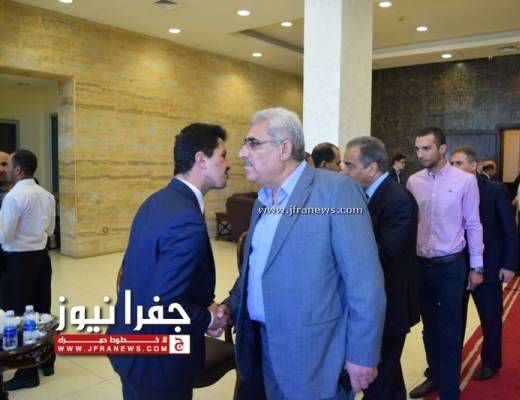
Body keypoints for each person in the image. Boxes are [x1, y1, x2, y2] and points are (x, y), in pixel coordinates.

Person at [218, 107, 386, 399]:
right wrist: (230, 307)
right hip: (265, 347)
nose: (242, 153)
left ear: (284, 148)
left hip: (316, 356)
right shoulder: (262, 201)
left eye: (253, 143)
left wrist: (362, 354)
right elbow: (257, 269)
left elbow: (365, 282)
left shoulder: (337, 191)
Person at [107, 123, 231, 400]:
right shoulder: (186, 217)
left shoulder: (155, 201)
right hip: (158, 362)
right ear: (201, 159)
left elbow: (139, 274)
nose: (228, 164)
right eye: (223, 155)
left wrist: (204, 304)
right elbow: (164, 305)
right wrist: (209, 317)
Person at [407, 127, 484, 400]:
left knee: (450, 328)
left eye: (426, 148)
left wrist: (477, 267)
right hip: (421, 266)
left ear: (442, 149)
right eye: (417, 149)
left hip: (452, 266)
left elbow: (473, 224)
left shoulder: (465, 181)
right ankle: (435, 375)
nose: (420, 154)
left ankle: (450, 389)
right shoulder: (413, 181)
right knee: (429, 326)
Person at [343, 137, 419, 400]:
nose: (344, 171)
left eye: (350, 165)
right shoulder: (361, 194)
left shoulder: (398, 200)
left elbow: (384, 255)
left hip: (389, 304)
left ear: (372, 167)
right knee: (388, 374)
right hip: (371, 302)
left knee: (378, 380)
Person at [450, 146, 518, 381]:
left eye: (459, 163)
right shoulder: (451, 189)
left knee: (490, 318)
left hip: (489, 265)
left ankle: (491, 362)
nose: (454, 168)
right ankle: (451, 363)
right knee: (454, 319)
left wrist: (509, 264)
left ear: (474, 166)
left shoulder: (495, 190)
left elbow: (509, 229)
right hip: (456, 266)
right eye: (452, 163)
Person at [0, 150, 56, 390]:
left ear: (18, 170)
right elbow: (50, 230)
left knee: (19, 316)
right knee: (41, 310)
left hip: (17, 263)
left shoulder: (13, 197)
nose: (6, 170)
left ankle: (26, 374)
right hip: (42, 259)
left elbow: (4, 236)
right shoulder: (47, 195)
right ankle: (47, 361)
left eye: (8, 166)